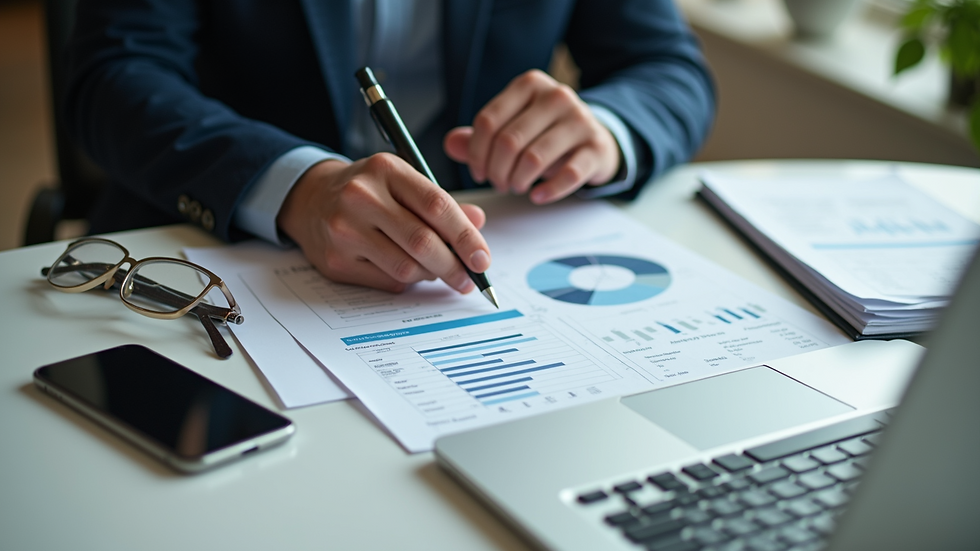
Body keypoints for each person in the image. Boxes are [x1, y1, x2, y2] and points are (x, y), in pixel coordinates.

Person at [66, 0, 715, 295]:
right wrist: (293, 186)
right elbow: (113, 76)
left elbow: (666, 67)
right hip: (216, 268)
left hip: (483, 240)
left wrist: (605, 129)